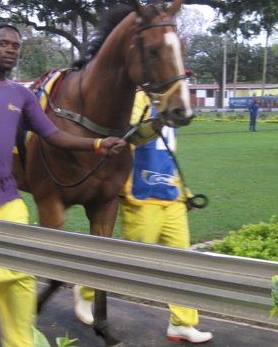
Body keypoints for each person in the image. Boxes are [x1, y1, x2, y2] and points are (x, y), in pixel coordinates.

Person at [0, 20, 126, 347]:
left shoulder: (20, 95)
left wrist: (96, 144)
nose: (9, 49)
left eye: (15, 45)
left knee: (19, 276)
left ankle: (19, 342)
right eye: (2, 43)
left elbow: (53, 134)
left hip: (7, 201)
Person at [73, 91, 213, 344]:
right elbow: (128, 137)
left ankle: (181, 323)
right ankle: (86, 287)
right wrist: (158, 116)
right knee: (128, 264)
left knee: (182, 262)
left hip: (172, 195)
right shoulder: (136, 98)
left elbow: (168, 152)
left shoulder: (172, 99)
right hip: (141, 195)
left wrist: (185, 191)